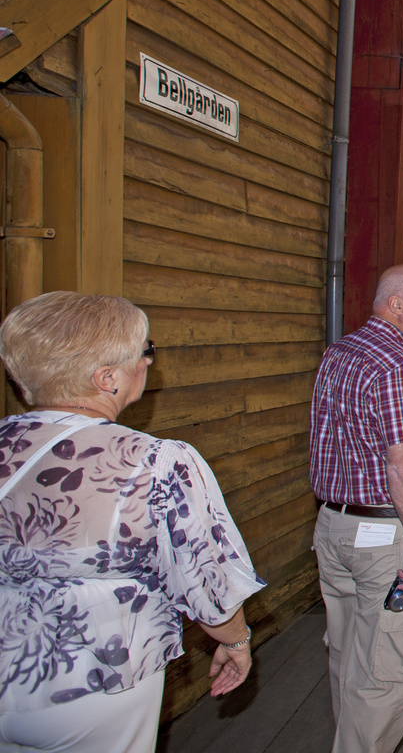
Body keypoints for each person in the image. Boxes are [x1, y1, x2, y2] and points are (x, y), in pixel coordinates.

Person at [0, 292, 262, 753]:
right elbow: (207, 578)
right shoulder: (156, 461)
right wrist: (237, 642)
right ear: (107, 378)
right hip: (96, 680)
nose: (148, 364)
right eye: (145, 352)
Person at [310, 264, 403, 753]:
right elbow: (402, 460)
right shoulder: (398, 365)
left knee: (352, 659)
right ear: (396, 304)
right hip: (390, 536)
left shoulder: (343, 351)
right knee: (388, 672)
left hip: (338, 527)